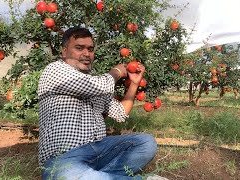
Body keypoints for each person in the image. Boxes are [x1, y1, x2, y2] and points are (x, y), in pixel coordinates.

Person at [38, 27, 158, 180]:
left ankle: (98, 176)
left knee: (145, 142)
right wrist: (117, 72)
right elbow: (102, 84)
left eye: (90, 49)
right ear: (64, 52)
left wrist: (134, 84)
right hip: (63, 158)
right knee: (68, 174)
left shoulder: (95, 84)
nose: (86, 54)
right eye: (79, 48)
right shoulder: (55, 70)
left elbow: (121, 113)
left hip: (99, 153)